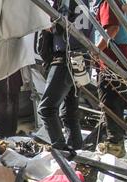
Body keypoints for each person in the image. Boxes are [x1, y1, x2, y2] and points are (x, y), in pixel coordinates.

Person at [37, 0, 91, 151]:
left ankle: (61, 150)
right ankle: (76, 151)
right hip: (71, 59)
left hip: (68, 60)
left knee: (46, 109)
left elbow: (80, 31)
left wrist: (51, 28)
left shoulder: (76, 2)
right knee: (69, 113)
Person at [95, 0, 127, 158]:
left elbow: (112, 28)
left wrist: (95, 51)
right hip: (121, 54)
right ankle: (115, 140)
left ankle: (115, 143)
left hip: (114, 55)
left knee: (109, 100)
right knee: (115, 102)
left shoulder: (108, 1)